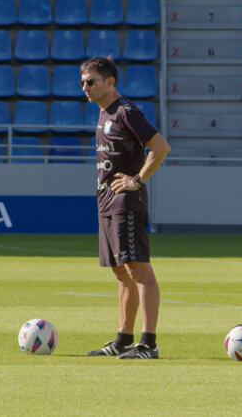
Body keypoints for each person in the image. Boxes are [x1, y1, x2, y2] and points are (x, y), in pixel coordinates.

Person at [81, 56, 171, 360]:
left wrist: (137, 180)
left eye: (90, 81)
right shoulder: (104, 113)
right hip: (106, 202)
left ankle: (148, 343)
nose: (85, 87)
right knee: (121, 273)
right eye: (82, 82)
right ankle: (123, 338)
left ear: (110, 82)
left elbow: (160, 147)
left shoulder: (126, 111)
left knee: (139, 270)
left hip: (125, 203)